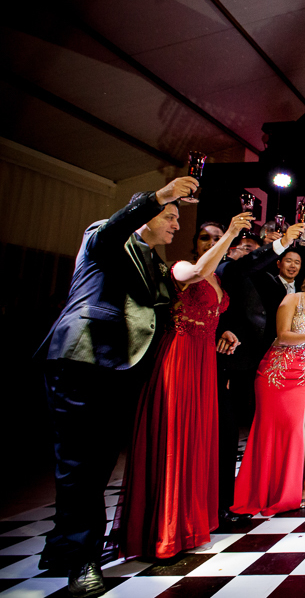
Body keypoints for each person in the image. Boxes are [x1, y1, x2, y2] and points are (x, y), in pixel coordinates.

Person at [36, 178, 196, 596]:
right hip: (84, 358)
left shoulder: (155, 262)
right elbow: (113, 231)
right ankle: (82, 558)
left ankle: (63, 546)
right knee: (80, 463)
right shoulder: (104, 235)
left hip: (124, 368)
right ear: (145, 216)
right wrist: (158, 196)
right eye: (170, 216)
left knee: (97, 462)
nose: (177, 225)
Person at [118, 211, 254, 560]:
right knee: (175, 437)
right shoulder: (181, 267)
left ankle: (191, 522)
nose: (211, 243)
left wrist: (225, 331)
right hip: (179, 356)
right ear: (195, 245)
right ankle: (165, 531)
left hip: (205, 359)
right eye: (205, 238)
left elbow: (212, 314)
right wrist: (230, 235)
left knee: (198, 439)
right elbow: (195, 274)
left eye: (217, 238)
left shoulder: (218, 280)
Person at [233, 253, 305, 515]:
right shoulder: (293, 299)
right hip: (275, 372)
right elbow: (282, 336)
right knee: (269, 431)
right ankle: (267, 488)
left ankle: (301, 485)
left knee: (295, 428)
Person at [215, 224, 305, 525]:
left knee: (260, 430)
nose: (252, 255)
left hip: (264, 362)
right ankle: (224, 501)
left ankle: (262, 488)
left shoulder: (270, 281)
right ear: (231, 251)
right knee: (228, 435)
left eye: (255, 250)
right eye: (245, 249)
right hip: (231, 360)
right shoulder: (226, 271)